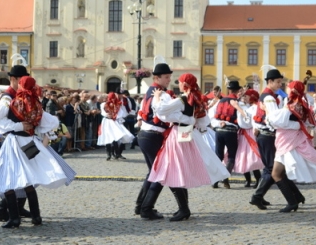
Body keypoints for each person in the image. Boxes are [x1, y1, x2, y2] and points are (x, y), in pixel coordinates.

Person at [0, 76, 76, 228]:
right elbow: (52, 122)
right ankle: (36, 216)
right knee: (28, 179)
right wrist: (35, 126)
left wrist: (17, 125)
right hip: (30, 142)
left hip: (14, 143)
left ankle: (14, 218)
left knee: (9, 179)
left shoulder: (12, 102)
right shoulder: (37, 104)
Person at [147, 73, 229, 221]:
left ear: (184, 84)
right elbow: (203, 122)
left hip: (178, 135)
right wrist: (190, 120)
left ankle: (184, 209)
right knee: (179, 169)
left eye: (179, 82)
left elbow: (162, 110)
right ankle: (183, 209)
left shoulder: (183, 98)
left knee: (174, 169)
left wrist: (157, 97)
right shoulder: (196, 98)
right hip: (189, 134)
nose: (177, 84)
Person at [135, 62, 195, 219]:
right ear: (157, 77)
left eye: (170, 76)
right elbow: (163, 113)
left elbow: (141, 112)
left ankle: (141, 205)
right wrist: (186, 114)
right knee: (163, 172)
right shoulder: (162, 94)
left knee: (154, 172)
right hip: (153, 135)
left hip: (145, 135)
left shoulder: (150, 91)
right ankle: (147, 208)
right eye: (166, 77)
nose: (169, 79)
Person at [265, 81, 316, 212]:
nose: (287, 89)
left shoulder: (292, 104)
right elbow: (304, 121)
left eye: (290, 88)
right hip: (290, 139)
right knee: (280, 173)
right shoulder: (302, 102)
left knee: (276, 174)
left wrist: (269, 117)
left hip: (288, 141)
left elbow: (280, 122)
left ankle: (292, 202)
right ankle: (297, 197)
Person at [248, 69, 284, 210]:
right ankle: (257, 196)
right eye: (278, 82)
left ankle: (259, 196)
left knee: (269, 168)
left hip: (264, 135)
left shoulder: (267, 96)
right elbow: (273, 119)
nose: (280, 84)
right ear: (270, 82)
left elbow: (258, 116)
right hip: (268, 136)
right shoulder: (268, 97)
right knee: (271, 168)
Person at [211, 80, 242, 189]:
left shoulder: (221, 101)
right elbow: (242, 119)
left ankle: (214, 180)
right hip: (231, 131)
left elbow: (213, 116)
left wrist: (218, 123)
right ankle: (225, 177)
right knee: (231, 156)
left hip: (219, 129)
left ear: (229, 89)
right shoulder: (237, 102)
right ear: (238, 90)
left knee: (218, 156)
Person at [230, 88, 264, 188]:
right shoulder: (251, 106)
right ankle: (248, 179)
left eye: (247, 96)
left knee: (251, 157)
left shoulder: (255, 108)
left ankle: (258, 179)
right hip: (243, 133)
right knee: (244, 157)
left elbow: (248, 119)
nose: (245, 97)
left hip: (249, 132)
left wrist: (237, 107)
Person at [97, 92, 130, 160]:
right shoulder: (103, 104)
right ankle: (109, 154)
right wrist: (107, 115)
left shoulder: (117, 104)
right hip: (107, 121)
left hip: (115, 121)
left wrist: (116, 116)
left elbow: (122, 113)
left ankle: (117, 153)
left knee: (116, 136)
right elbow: (103, 112)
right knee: (107, 137)